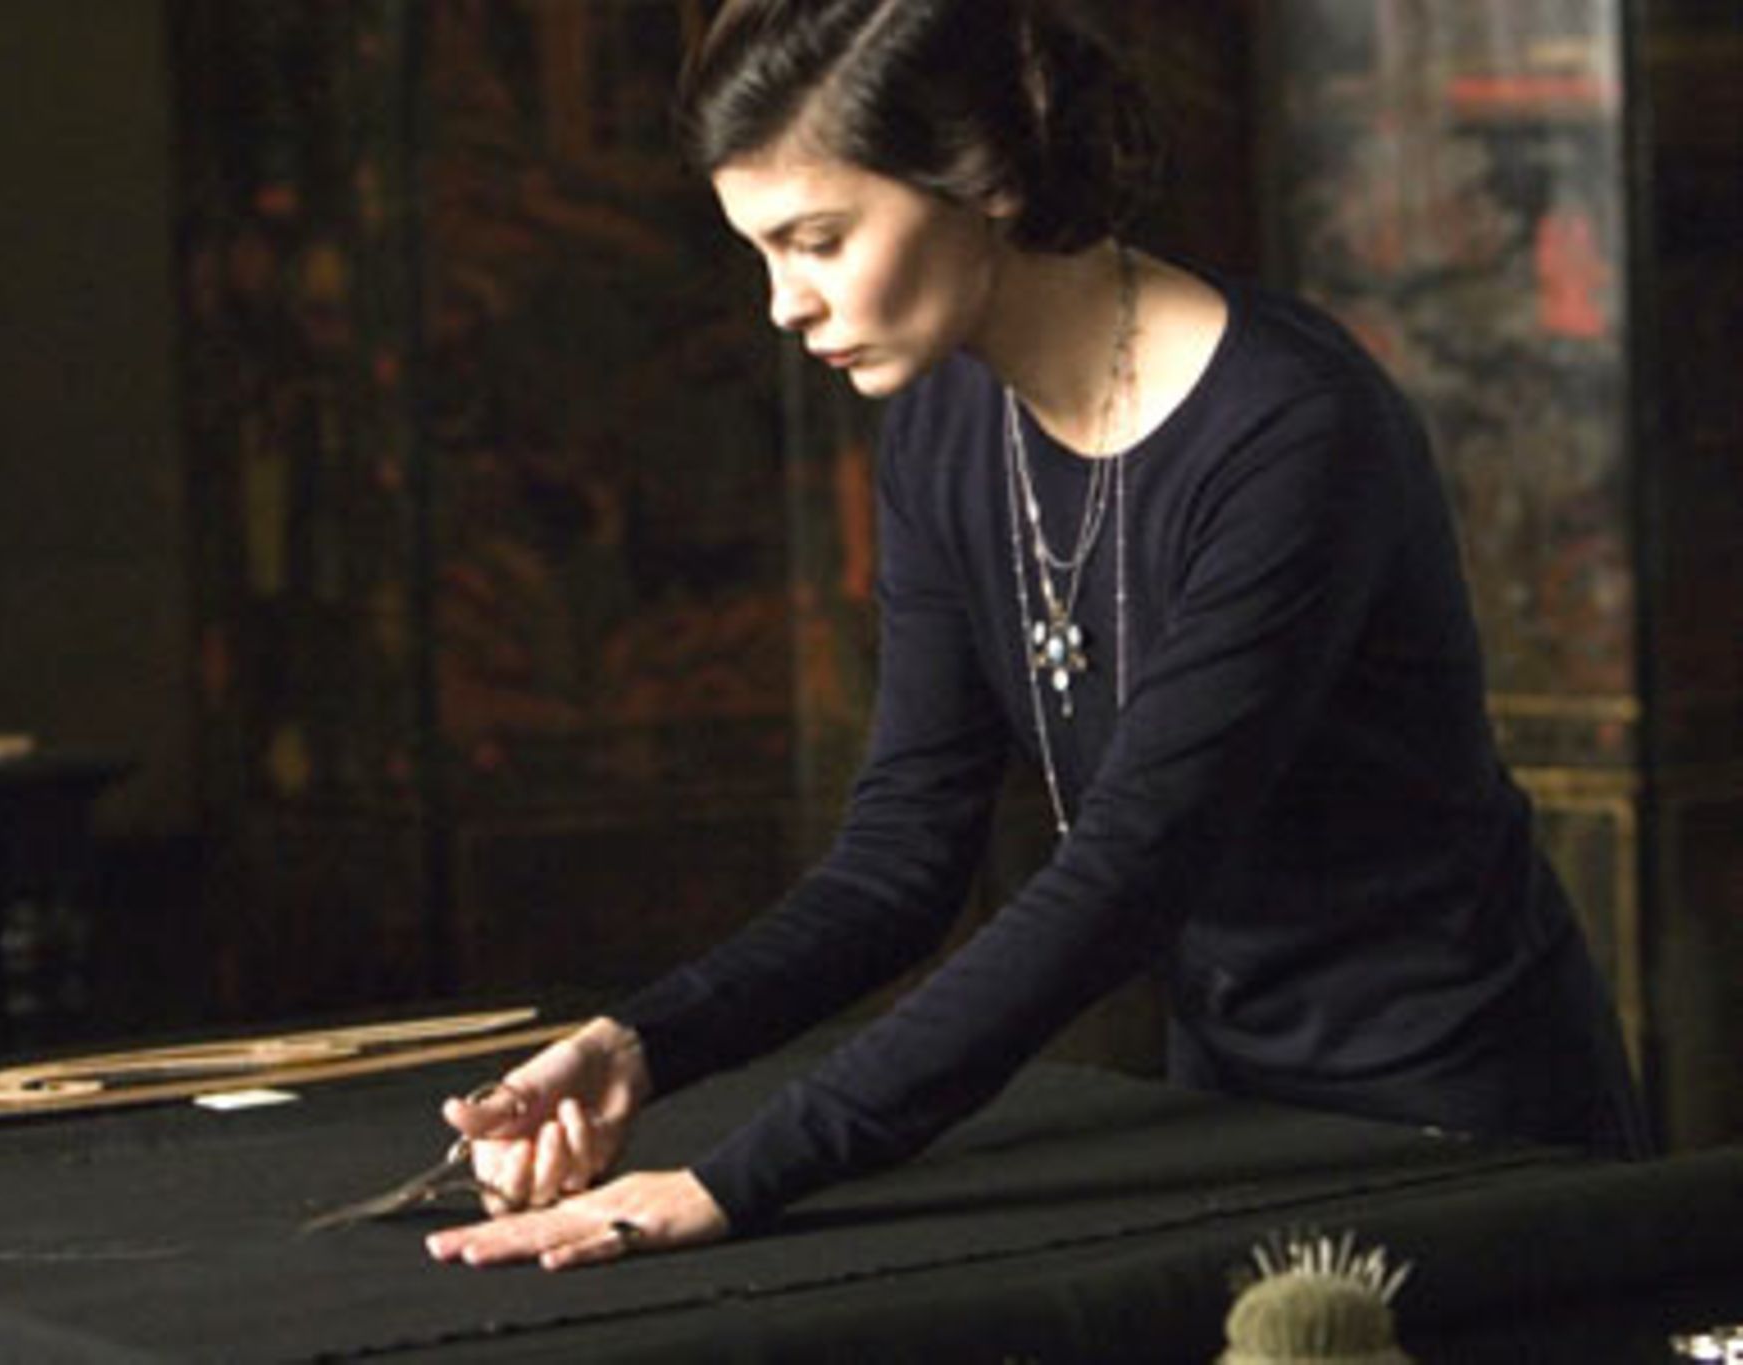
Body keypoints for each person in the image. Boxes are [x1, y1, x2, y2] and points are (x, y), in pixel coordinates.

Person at [424, 0, 1650, 1273]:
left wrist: (734, 1182)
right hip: (1225, 1107)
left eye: (818, 241)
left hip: (1458, 1104)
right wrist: (638, 1045)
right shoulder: (941, 429)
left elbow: (1124, 872)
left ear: (987, 178)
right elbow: (899, 860)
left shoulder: (1292, 430)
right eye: (761, 251)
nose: (782, 304)